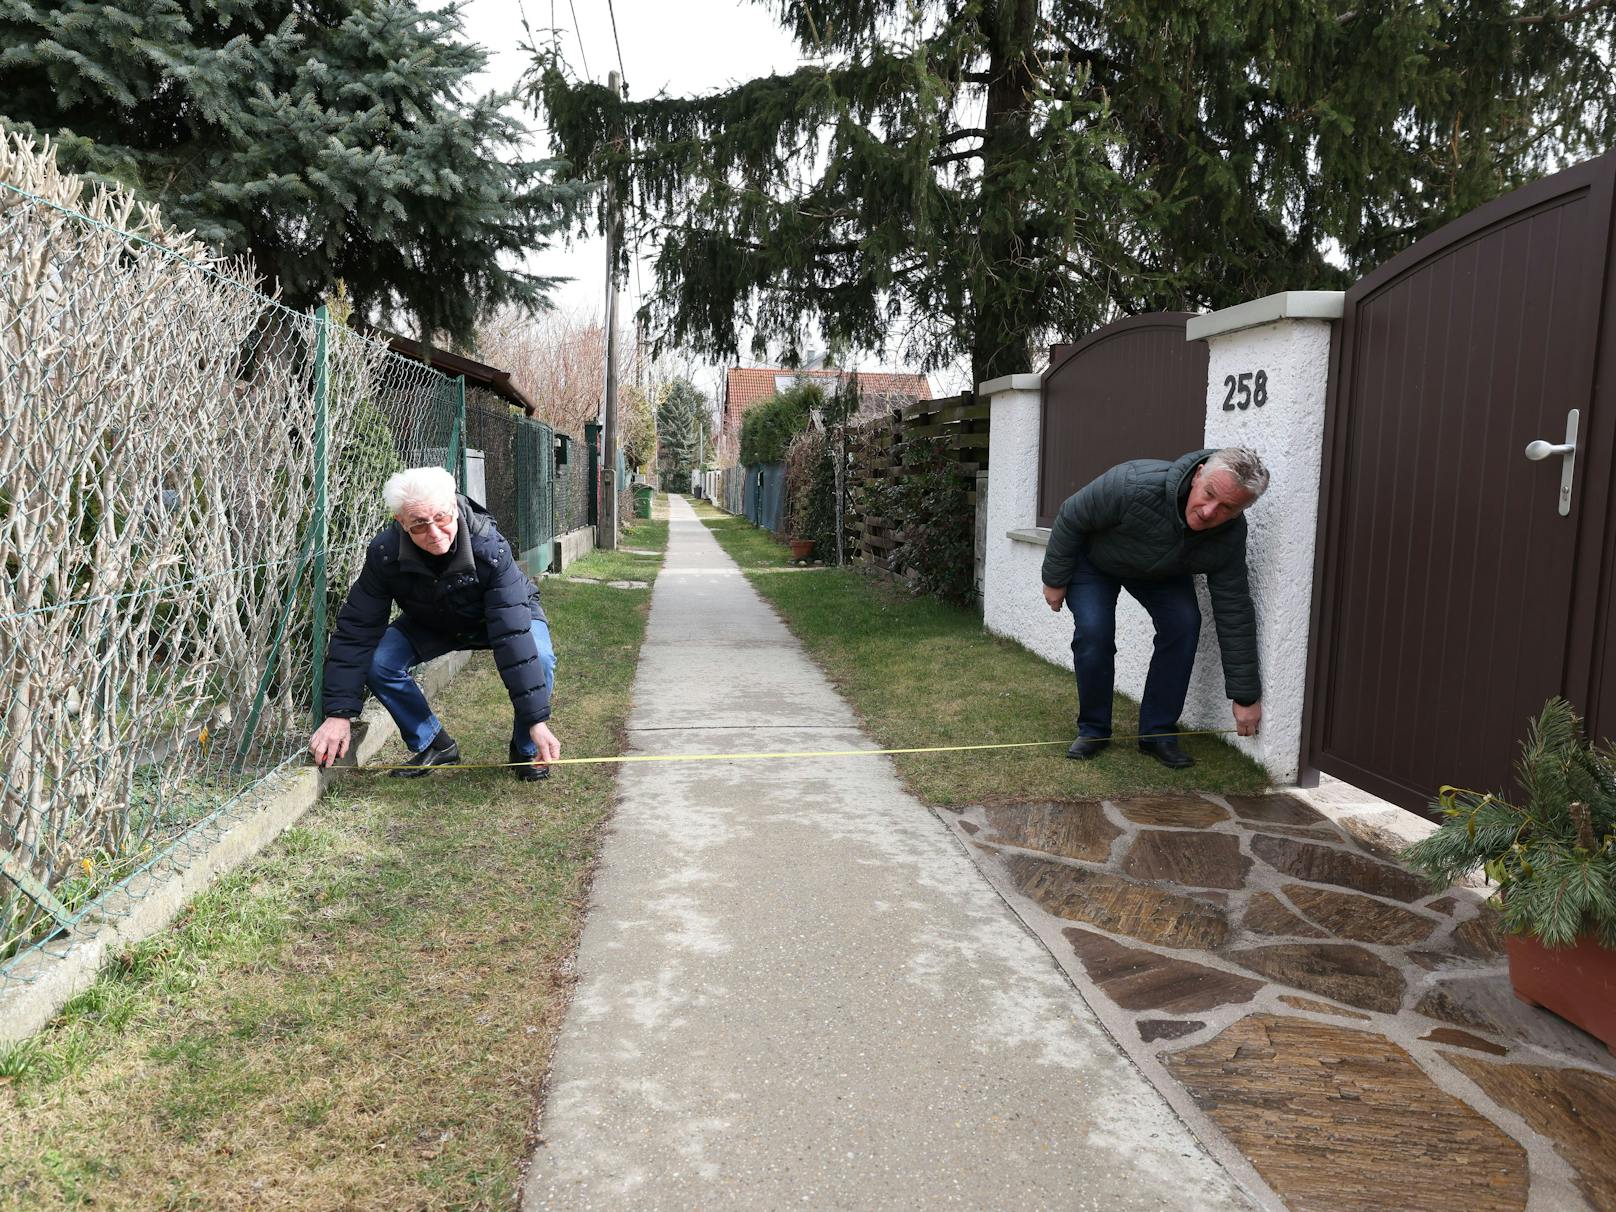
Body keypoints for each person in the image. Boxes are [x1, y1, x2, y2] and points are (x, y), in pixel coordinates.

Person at [307, 466, 560, 781]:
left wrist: (536, 721)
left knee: (540, 656)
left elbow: (511, 634)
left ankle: (526, 750)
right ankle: (434, 743)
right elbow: (357, 629)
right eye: (420, 524)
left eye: (441, 518)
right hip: (434, 620)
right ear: (401, 522)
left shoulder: (490, 548)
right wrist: (338, 713)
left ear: (453, 507)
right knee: (379, 661)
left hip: (498, 616)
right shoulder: (385, 554)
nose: (435, 533)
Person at [1041, 447, 1268, 769]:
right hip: (1095, 562)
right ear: (1199, 474)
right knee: (1095, 632)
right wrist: (1054, 578)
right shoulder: (1132, 483)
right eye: (1209, 495)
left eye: (1226, 508)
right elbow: (1071, 516)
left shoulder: (1228, 537)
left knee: (1184, 624)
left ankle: (1157, 733)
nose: (1208, 512)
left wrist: (1245, 696)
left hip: (1160, 572)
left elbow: (1234, 610)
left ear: (1241, 511)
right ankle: (1093, 730)